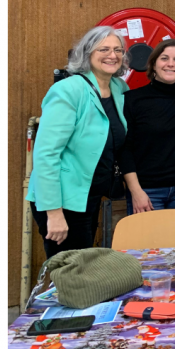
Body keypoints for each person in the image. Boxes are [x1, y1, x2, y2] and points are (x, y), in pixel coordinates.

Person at [27, 26, 130, 258]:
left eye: (118, 50)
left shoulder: (119, 88)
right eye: (104, 49)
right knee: (70, 270)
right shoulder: (67, 90)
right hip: (62, 200)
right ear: (87, 53)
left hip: (90, 196)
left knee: (83, 266)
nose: (112, 55)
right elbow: (46, 154)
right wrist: (54, 212)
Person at [121, 39, 175, 215]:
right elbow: (124, 150)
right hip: (147, 192)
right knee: (148, 235)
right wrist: (136, 191)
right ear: (153, 64)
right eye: (164, 58)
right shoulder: (132, 100)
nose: (171, 64)